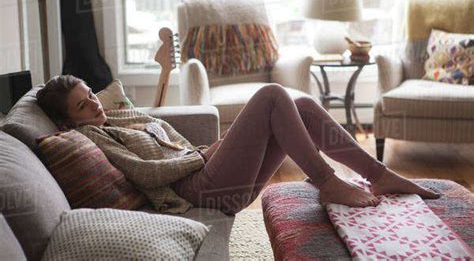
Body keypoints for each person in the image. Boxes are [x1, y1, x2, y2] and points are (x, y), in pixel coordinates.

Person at [36, 75, 439, 215]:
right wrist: (205, 154)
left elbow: (171, 142)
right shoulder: (90, 136)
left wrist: (214, 148)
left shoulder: (115, 116)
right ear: (66, 120)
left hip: (206, 174)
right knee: (272, 94)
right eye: (82, 105)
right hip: (199, 193)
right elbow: (147, 171)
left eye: (91, 94)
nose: (93, 103)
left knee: (300, 104)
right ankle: (326, 179)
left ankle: (379, 174)